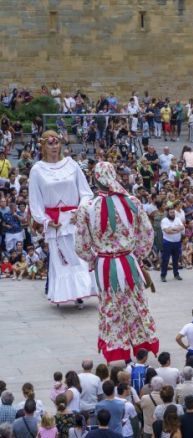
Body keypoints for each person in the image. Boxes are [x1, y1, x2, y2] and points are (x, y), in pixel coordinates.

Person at [75, 161, 160, 362]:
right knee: (136, 305)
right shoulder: (133, 201)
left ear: (95, 179)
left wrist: (94, 258)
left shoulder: (86, 207)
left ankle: (118, 352)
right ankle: (141, 348)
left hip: (105, 265)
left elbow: (80, 245)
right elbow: (148, 234)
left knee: (111, 308)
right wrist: (136, 256)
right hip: (129, 262)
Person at [28, 130, 96, 308]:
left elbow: (86, 193)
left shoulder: (71, 165)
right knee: (62, 261)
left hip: (73, 220)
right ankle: (65, 293)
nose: (54, 146)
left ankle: (81, 293)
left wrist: (79, 212)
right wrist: (45, 220)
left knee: (79, 258)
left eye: (56, 143)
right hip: (55, 223)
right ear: (43, 146)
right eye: (50, 144)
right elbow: (35, 202)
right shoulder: (37, 170)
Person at [159, 206, 184, 282]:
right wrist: (177, 230)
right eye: (171, 212)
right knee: (165, 260)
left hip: (177, 242)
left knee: (176, 259)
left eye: (173, 212)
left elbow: (182, 227)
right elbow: (167, 231)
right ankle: (163, 275)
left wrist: (172, 229)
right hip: (167, 243)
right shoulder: (164, 221)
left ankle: (176, 274)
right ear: (168, 213)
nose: (172, 214)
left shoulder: (177, 219)